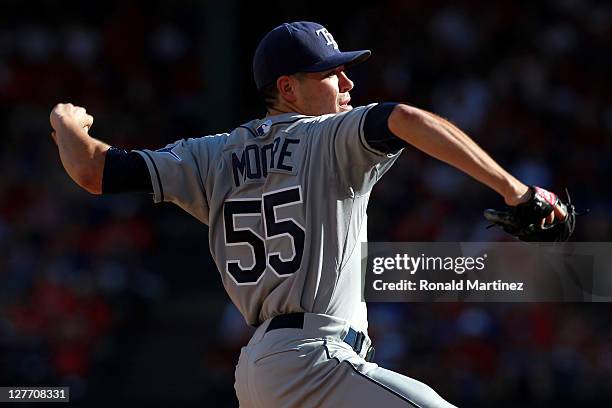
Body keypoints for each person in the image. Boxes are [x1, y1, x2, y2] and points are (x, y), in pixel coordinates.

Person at [49, 21, 568, 408]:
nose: (347, 85)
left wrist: (66, 121)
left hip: (259, 372)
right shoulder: (328, 135)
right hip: (315, 360)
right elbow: (405, 119)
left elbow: (94, 171)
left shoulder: (208, 154)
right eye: (330, 72)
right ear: (288, 88)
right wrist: (518, 191)